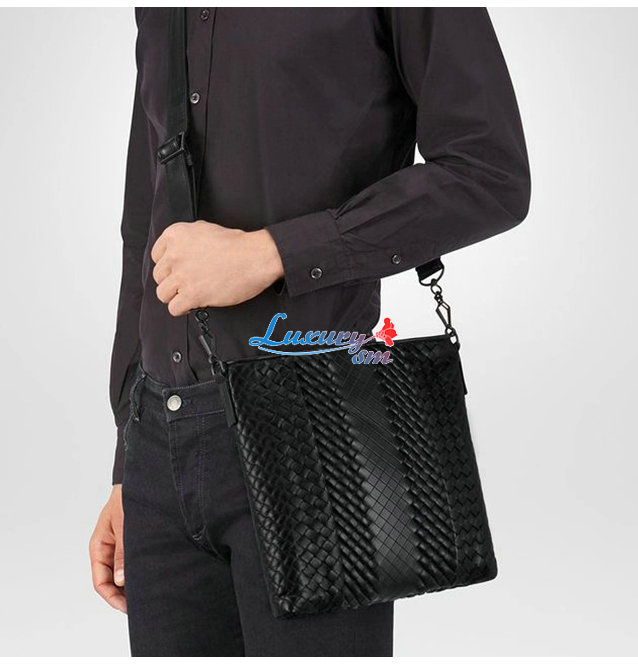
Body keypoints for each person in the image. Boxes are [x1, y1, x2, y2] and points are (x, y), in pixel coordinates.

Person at [89, 7, 530, 657]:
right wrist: (128, 463)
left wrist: (273, 254)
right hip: (159, 440)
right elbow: (144, 224)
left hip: (317, 433)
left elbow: (489, 173)